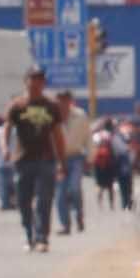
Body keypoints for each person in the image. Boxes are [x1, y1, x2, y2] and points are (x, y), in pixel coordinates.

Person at [3, 66, 66, 253]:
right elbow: (6, 129)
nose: (36, 83)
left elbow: (58, 135)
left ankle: (42, 238)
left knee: (44, 200)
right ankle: (28, 235)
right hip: (23, 160)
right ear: (26, 81)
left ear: (44, 83)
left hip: (46, 160)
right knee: (23, 201)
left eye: (40, 79)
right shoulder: (17, 106)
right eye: (33, 79)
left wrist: (62, 162)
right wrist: (5, 148)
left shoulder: (51, 107)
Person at [54, 91, 90, 236]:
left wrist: (90, 158)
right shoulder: (53, 117)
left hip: (76, 157)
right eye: (60, 100)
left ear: (70, 101)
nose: (62, 103)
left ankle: (79, 216)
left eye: (65, 100)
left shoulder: (80, 116)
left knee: (74, 188)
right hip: (58, 159)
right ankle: (65, 225)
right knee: (61, 193)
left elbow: (88, 137)